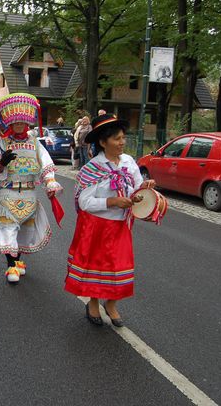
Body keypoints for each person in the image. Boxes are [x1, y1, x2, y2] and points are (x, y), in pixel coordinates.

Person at [64, 113, 156, 327]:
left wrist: (144, 189)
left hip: (120, 226)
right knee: (96, 267)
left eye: (123, 137)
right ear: (103, 142)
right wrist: (113, 202)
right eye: (117, 139)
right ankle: (94, 302)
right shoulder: (92, 169)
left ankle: (111, 304)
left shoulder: (129, 162)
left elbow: (136, 188)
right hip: (96, 226)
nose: (122, 142)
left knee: (119, 266)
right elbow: (85, 202)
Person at [0, 93, 62, 283]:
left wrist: (50, 180)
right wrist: (2, 162)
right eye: (15, 122)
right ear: (10, 124)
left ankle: (18, 261)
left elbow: (45, 163)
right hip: (8, 193)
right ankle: (11, 265)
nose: (19, 125)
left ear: (27, 123)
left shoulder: (35, 143)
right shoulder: (2, 143)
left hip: (29, 193)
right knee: (8, 229)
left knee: (23, 232)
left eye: (22, 122)